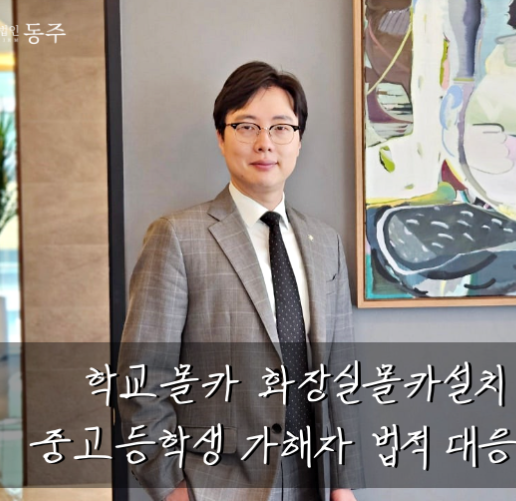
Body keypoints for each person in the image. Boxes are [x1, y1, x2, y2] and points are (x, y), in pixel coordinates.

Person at [118, 61, 365, 501]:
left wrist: (343, 482)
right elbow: (141, 379)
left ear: (299, 140)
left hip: (315, 479)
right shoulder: (177, 237)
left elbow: (341, 377)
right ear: (221, 136)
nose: (265, 142)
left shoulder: (325, 243)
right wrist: (171, 489)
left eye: (281, 128)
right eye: (247, 126)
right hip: (218, 487)